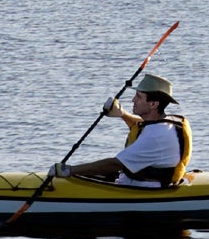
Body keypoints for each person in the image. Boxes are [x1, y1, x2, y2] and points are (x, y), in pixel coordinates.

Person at [57, 73, 188, 186]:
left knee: (93, 173)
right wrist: (122, 114)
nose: (133, 100)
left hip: (143, 187)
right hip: (144, 180)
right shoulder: (166, 122)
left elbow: (115, 164)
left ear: (154, 104)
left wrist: (69, 170)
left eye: (139, 96)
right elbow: (142, 126)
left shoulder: (155, 136)